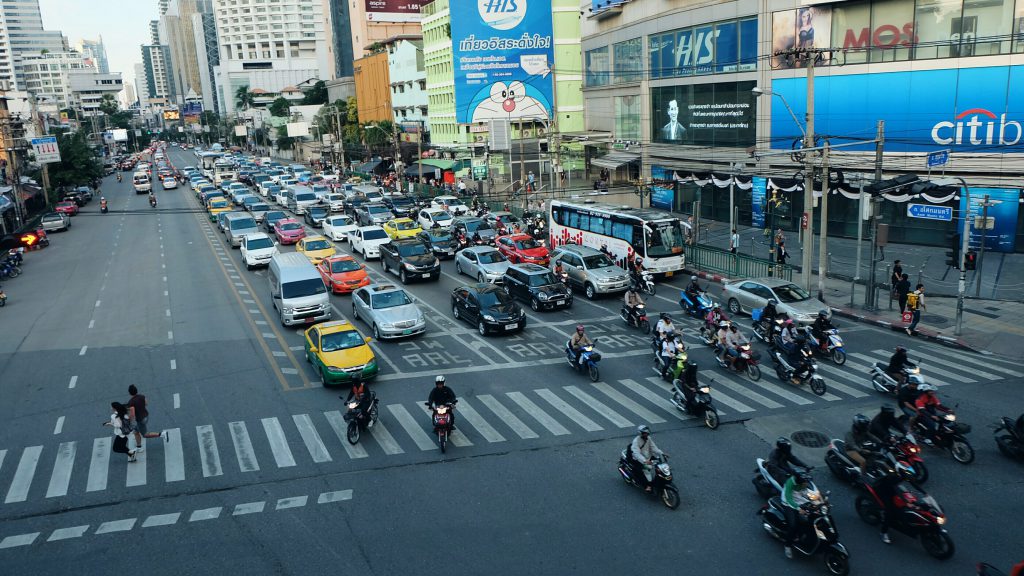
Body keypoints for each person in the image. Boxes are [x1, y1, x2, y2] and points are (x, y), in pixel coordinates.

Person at [781, 471, 815, 559]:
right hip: (788, 503)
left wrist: (817, 498)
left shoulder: (803, 482)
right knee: (793, 525)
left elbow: (806, 492)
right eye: (805, 482)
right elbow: (789, 499)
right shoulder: (790, 483)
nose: (806, 483)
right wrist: (799, 509)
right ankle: (787, 545)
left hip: (798, 499)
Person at [127, 384, 167, 450]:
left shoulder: (131, 402)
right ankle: (139, 446)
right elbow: (146, 404)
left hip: (140, 420)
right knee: (135, 432)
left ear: (129, 393)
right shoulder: (142, 396)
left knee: (145, 435)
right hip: (146, 416)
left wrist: (129, 419)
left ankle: (162, 434)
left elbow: (133, 414)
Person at [629, 425, 665, 492]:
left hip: (648, 457)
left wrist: (661, 453)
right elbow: (636, 454)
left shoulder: (648, 438)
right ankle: (648, 485)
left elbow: (653, 447)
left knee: (659, 465)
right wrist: (645, 461)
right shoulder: (636, 441)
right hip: (639, 460)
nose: (646, 434)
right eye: (645, 433)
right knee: (646, 470)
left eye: (647, 433)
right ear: (641, 433)